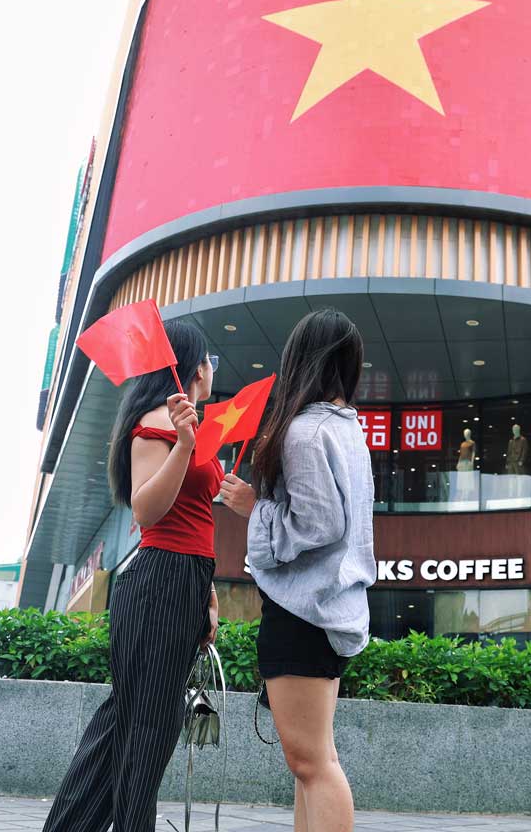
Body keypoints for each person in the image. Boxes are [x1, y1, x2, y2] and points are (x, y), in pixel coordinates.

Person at [43, 318, 221, 832]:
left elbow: (194, 520)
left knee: (136, 720)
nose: (212, 370)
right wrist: (185, 446)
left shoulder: (183, 422)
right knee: (148, 724)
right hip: (160, 578)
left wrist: (205, 590)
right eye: (209, 359)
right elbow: (146, 511)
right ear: (192, 366)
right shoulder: (156, 422)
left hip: (181, 579)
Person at [219, 309, 374, 832]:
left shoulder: (305, 433)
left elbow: (319, 523)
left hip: (303, 609)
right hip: (329, 608)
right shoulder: (348, 429)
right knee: (312, 763)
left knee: (313, 764)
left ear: (298, 359)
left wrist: (253, 508)